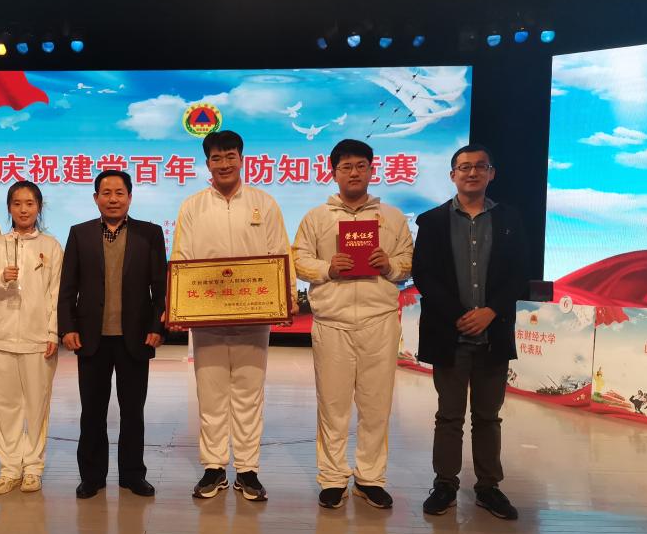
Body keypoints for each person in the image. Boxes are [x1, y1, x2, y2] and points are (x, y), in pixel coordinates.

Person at [170, 130, 295, 502]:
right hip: (207, 317)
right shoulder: (193, 206)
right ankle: (213, 467)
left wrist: (287, 297)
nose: (224, 164)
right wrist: (176, 304)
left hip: (254, 316)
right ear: (207, 163)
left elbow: (280, 253)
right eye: (216, 158)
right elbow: (181, 257)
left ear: (242, 159)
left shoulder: (264, 203)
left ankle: (247, 470)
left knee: (249, 393)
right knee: (210, 394)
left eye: (230, 156)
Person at [293, 139, 413, 510]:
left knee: (376, 405)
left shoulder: (392, 217)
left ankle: (369, 478)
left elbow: (408, 262)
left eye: (361, 165)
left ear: (371, 170)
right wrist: (327, 268)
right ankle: (332, 478)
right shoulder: (317, 217)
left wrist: (389, 265)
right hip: (332, 322)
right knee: (333, 405)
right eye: (346, 167)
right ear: (334, 172)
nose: (354, 173)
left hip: (379, 321)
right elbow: (299, 260)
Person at [412, 144, 527, 520]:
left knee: (488, 416)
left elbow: (519, 273)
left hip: (494, 333)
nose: (472, 172)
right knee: (449, 415)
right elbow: (424, 274)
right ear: (453, 175)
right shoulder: (431, 221)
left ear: (492, 173)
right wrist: (461, 315)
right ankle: (445, 484)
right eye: (464, 167)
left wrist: (491, 312)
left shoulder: (510, 219)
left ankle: (488, 487)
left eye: (480, 166)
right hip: (450, 333)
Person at [57, 169, 167, 499]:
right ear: (96, 198)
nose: (113, 199)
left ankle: (133, 475)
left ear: (130, 197)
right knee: (92, 412)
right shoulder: (80, 234)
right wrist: (67, 327)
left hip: (136, 337)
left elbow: (160, 287)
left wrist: (157, 327)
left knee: (133, 412)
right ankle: (92, 476)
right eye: (106, 193)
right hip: (92, 338)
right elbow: (68, 287)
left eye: (120, 193)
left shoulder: (150, 233)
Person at [0, 181, 63, 495]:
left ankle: (33, 469)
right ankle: (10, 468)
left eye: (29, 203)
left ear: (39, 207)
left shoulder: (51, 246)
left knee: (37, 406)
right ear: (9, 208)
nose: (23, 210)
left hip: (38, 338)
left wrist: (53, 331)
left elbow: (56, 294)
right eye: (17, 203)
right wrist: (1, 279)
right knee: (5, 406)